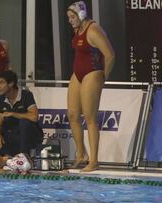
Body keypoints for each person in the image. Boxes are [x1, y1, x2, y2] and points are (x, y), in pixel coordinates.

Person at [66, 1, 115, 172]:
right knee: (72, 115)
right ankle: (81, 154)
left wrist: (103, 78)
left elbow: (110, 55)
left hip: (92, 73)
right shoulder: (77, 30)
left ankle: (94, 160)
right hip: (77, 74)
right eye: (69, 18)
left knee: (89, 117)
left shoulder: (93, 30)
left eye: (72, 17)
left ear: (80, 15)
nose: (70, 21)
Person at [0, 70, 43, 157]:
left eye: (1, 83)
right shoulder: (0, 98)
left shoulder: (26, 95)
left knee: (24, 123)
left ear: (11, 83)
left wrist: (13, 114)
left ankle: (24, 156)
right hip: (13, 134)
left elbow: (35, 117)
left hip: (30, 135)